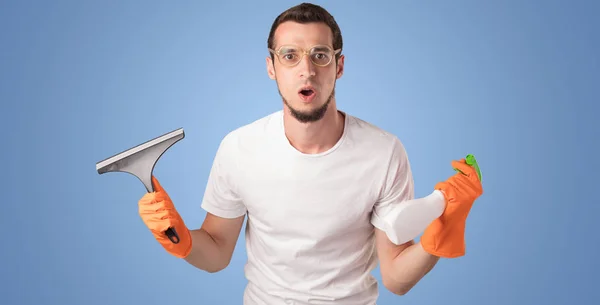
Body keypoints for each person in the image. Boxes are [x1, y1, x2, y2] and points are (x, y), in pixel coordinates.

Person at [137, 3, 483, 304]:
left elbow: (396, 278)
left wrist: (438, 238)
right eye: (290, 56)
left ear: (339, 66)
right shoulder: (239, 148)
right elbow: (215, 252)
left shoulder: (384, 152)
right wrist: (181, 239)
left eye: (320, 55)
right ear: (271, 67)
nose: (307, 69)